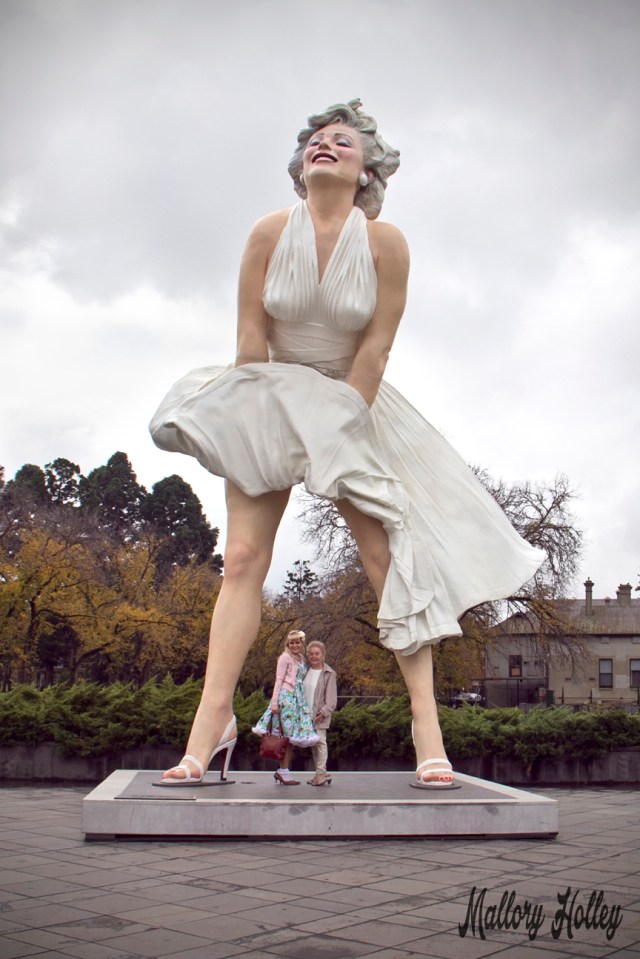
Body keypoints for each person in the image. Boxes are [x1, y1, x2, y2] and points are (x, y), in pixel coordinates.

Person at [150, 98, 545, 789]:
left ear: (367, 169)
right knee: (241, 556)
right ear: (302, 166)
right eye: (315, 141)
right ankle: (211, 723)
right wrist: (251, 422)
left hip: (353, 403)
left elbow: (376, 350)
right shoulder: (268, 233)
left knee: (387, 557)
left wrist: (336, 429)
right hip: (271, 394)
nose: (324, 146)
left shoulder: (386, 243)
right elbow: (250, 341)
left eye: (342, 141)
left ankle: (427, 724)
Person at [252, 629, 320, 785]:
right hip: (286, 698)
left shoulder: (302, 658)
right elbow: (279, 679)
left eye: (297, 642)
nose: (295, 645)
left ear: (302, 643)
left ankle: (283, 771)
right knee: (286, 736)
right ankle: (283, 772)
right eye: (292, 643)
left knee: (290, 738)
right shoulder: (284, 658)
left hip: (298, 699)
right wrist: (275, 702)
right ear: (288, 644)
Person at [303, 640, 337, 786]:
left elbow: (331, 700)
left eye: (317, 653)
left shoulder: (329, 674)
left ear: (323, 655)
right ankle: (320, 773)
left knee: (320, 743)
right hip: (306, 714)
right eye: (311, 654)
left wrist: (322, 713)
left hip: (319, 715)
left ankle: (321, 774)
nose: (314, 656)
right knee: (313, 745)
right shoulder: (305, 670)